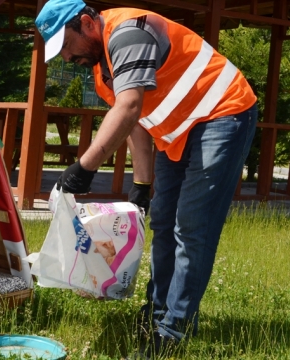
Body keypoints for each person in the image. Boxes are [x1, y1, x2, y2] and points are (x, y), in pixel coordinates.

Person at [35, 0, 258, 356]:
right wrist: (141, 184)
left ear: (86, 24)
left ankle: (174, 333)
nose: (65, 58)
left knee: (191, 228)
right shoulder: (103, 67)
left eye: (65, 46)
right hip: (176, 133)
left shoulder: (127, 34)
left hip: (223, 113)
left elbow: (129, 108)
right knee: (164, 221)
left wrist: (84, 168)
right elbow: (137, 121)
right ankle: (157, 316)